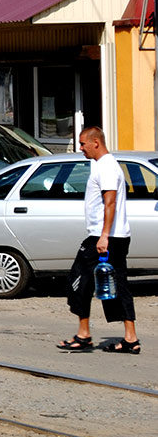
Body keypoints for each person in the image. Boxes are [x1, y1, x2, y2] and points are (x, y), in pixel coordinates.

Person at [57, 126, 140, 354]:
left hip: (104, 237)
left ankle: (84, 335)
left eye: (83, 144)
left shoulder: (106, 167)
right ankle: (130, 339)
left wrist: (103, 236)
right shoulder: (106, 166)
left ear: (96, 142)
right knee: (117, 284)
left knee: (78, 280)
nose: (80, 148)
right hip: (114, 236)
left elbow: (110, 202)